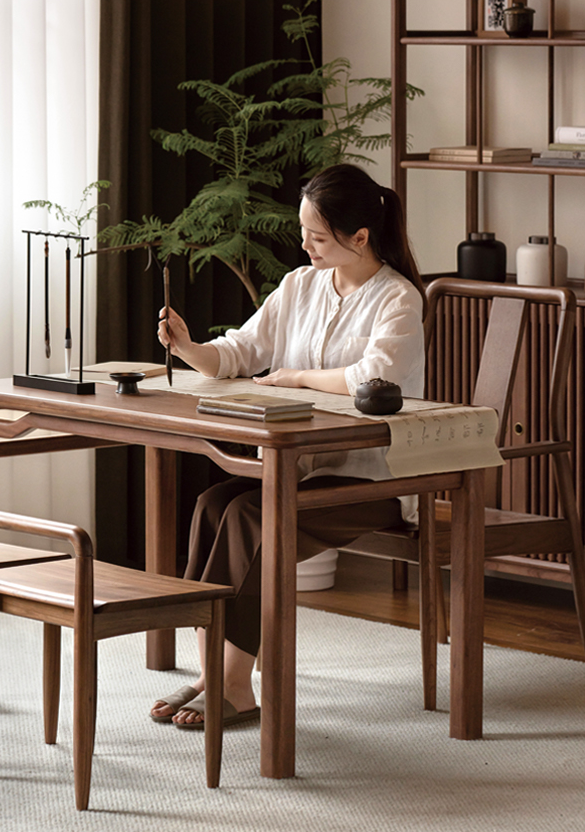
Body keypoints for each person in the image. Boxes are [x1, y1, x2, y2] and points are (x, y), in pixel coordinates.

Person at [151, 163, 426, 728]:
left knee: (249, 516)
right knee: (212, 506)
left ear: (360, 237)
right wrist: (188, 347)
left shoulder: (398, 299)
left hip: (374, 481)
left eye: (317, 237)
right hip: (300, 471)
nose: (304, 245)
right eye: (303, 232)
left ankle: (235, 686)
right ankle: (212, 674)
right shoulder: (299, 286)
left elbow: (373, 378)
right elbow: (240, 352)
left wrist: (295, 377)